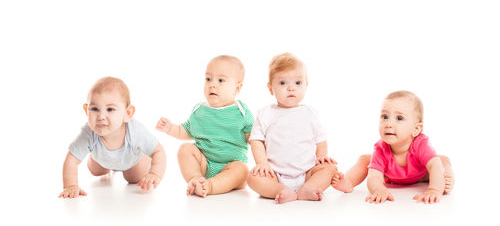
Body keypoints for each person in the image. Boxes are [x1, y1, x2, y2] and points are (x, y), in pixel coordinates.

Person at [332, 90, 454, 204]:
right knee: (365, 159)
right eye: (385, 117)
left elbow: (434, 165)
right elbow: (374, 176)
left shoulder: (421, 144)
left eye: (399, 118)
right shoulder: (381, 148)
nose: (388, 124)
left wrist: (434, 189)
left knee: (441, 161)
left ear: (416, 129)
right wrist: (378, 189)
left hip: (422, 175)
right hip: (391, 176)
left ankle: (447, 181)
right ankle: (348, 182)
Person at [156, 55, 253, 197]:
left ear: (237, 88)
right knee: (185, 149)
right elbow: (186, 131)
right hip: (205, 165)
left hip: (231, 167)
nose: (212, 84)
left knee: (242, 169)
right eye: (208, 79)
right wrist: (171, 128)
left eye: (221, 80)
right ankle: (195, 179)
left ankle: (210, 186)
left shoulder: (241, 112)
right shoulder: (199, 111)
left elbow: (253, 138)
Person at [247, 52, 337, 204]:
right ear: (270, 89)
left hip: (307, 172)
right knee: (252, 177)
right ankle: (279, 190)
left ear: (306, 85)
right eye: (283, 83)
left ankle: (309, 187)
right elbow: (256, 141)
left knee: (330, 168)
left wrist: (322, 156)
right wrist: (262, 164)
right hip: (275, 174)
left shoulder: (310, 113)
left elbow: (321, 140)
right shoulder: (266, 113)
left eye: (297, 83)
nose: (291, 88)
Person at [59, 77, 166, 198]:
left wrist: (154, 174)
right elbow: (71, 160)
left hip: (131, 160)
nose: (101, 116)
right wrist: (70, 186)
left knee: (134, 177)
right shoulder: (89, 133)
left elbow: (158, 151)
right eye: (94, 109)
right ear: (86, 110)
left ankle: (143, 158)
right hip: (102, 160)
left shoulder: (136, 132)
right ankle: (96, 156)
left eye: (110, 109)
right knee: (95, 171)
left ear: (128, 113)